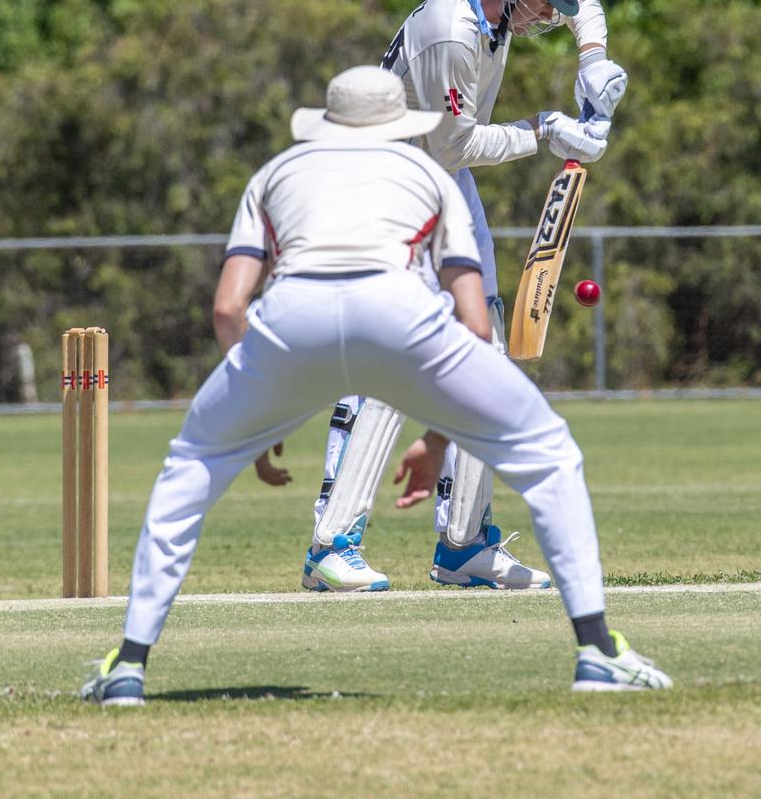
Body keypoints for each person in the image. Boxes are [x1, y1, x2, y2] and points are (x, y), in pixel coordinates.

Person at [81, 66, 671, 705]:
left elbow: (228, 308)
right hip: (400, 313)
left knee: (189, 467)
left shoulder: (274, 174)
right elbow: (474, 324)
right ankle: (597, 652)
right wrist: (439, 440)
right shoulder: (429, 177)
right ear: (399, 126)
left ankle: (128, 667)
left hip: (292, 318)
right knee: (549, 454)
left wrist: (250, 412)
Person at [294, 0, 629, 594]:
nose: (546, 21)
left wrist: (593, 61)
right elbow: (455, 145)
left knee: (487, 355)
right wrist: (542, 131)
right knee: (399, 356)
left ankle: (464, 544)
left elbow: (582, 6)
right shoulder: (453, 30)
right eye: (542, 6)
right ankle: (332, 545)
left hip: (440, 180)